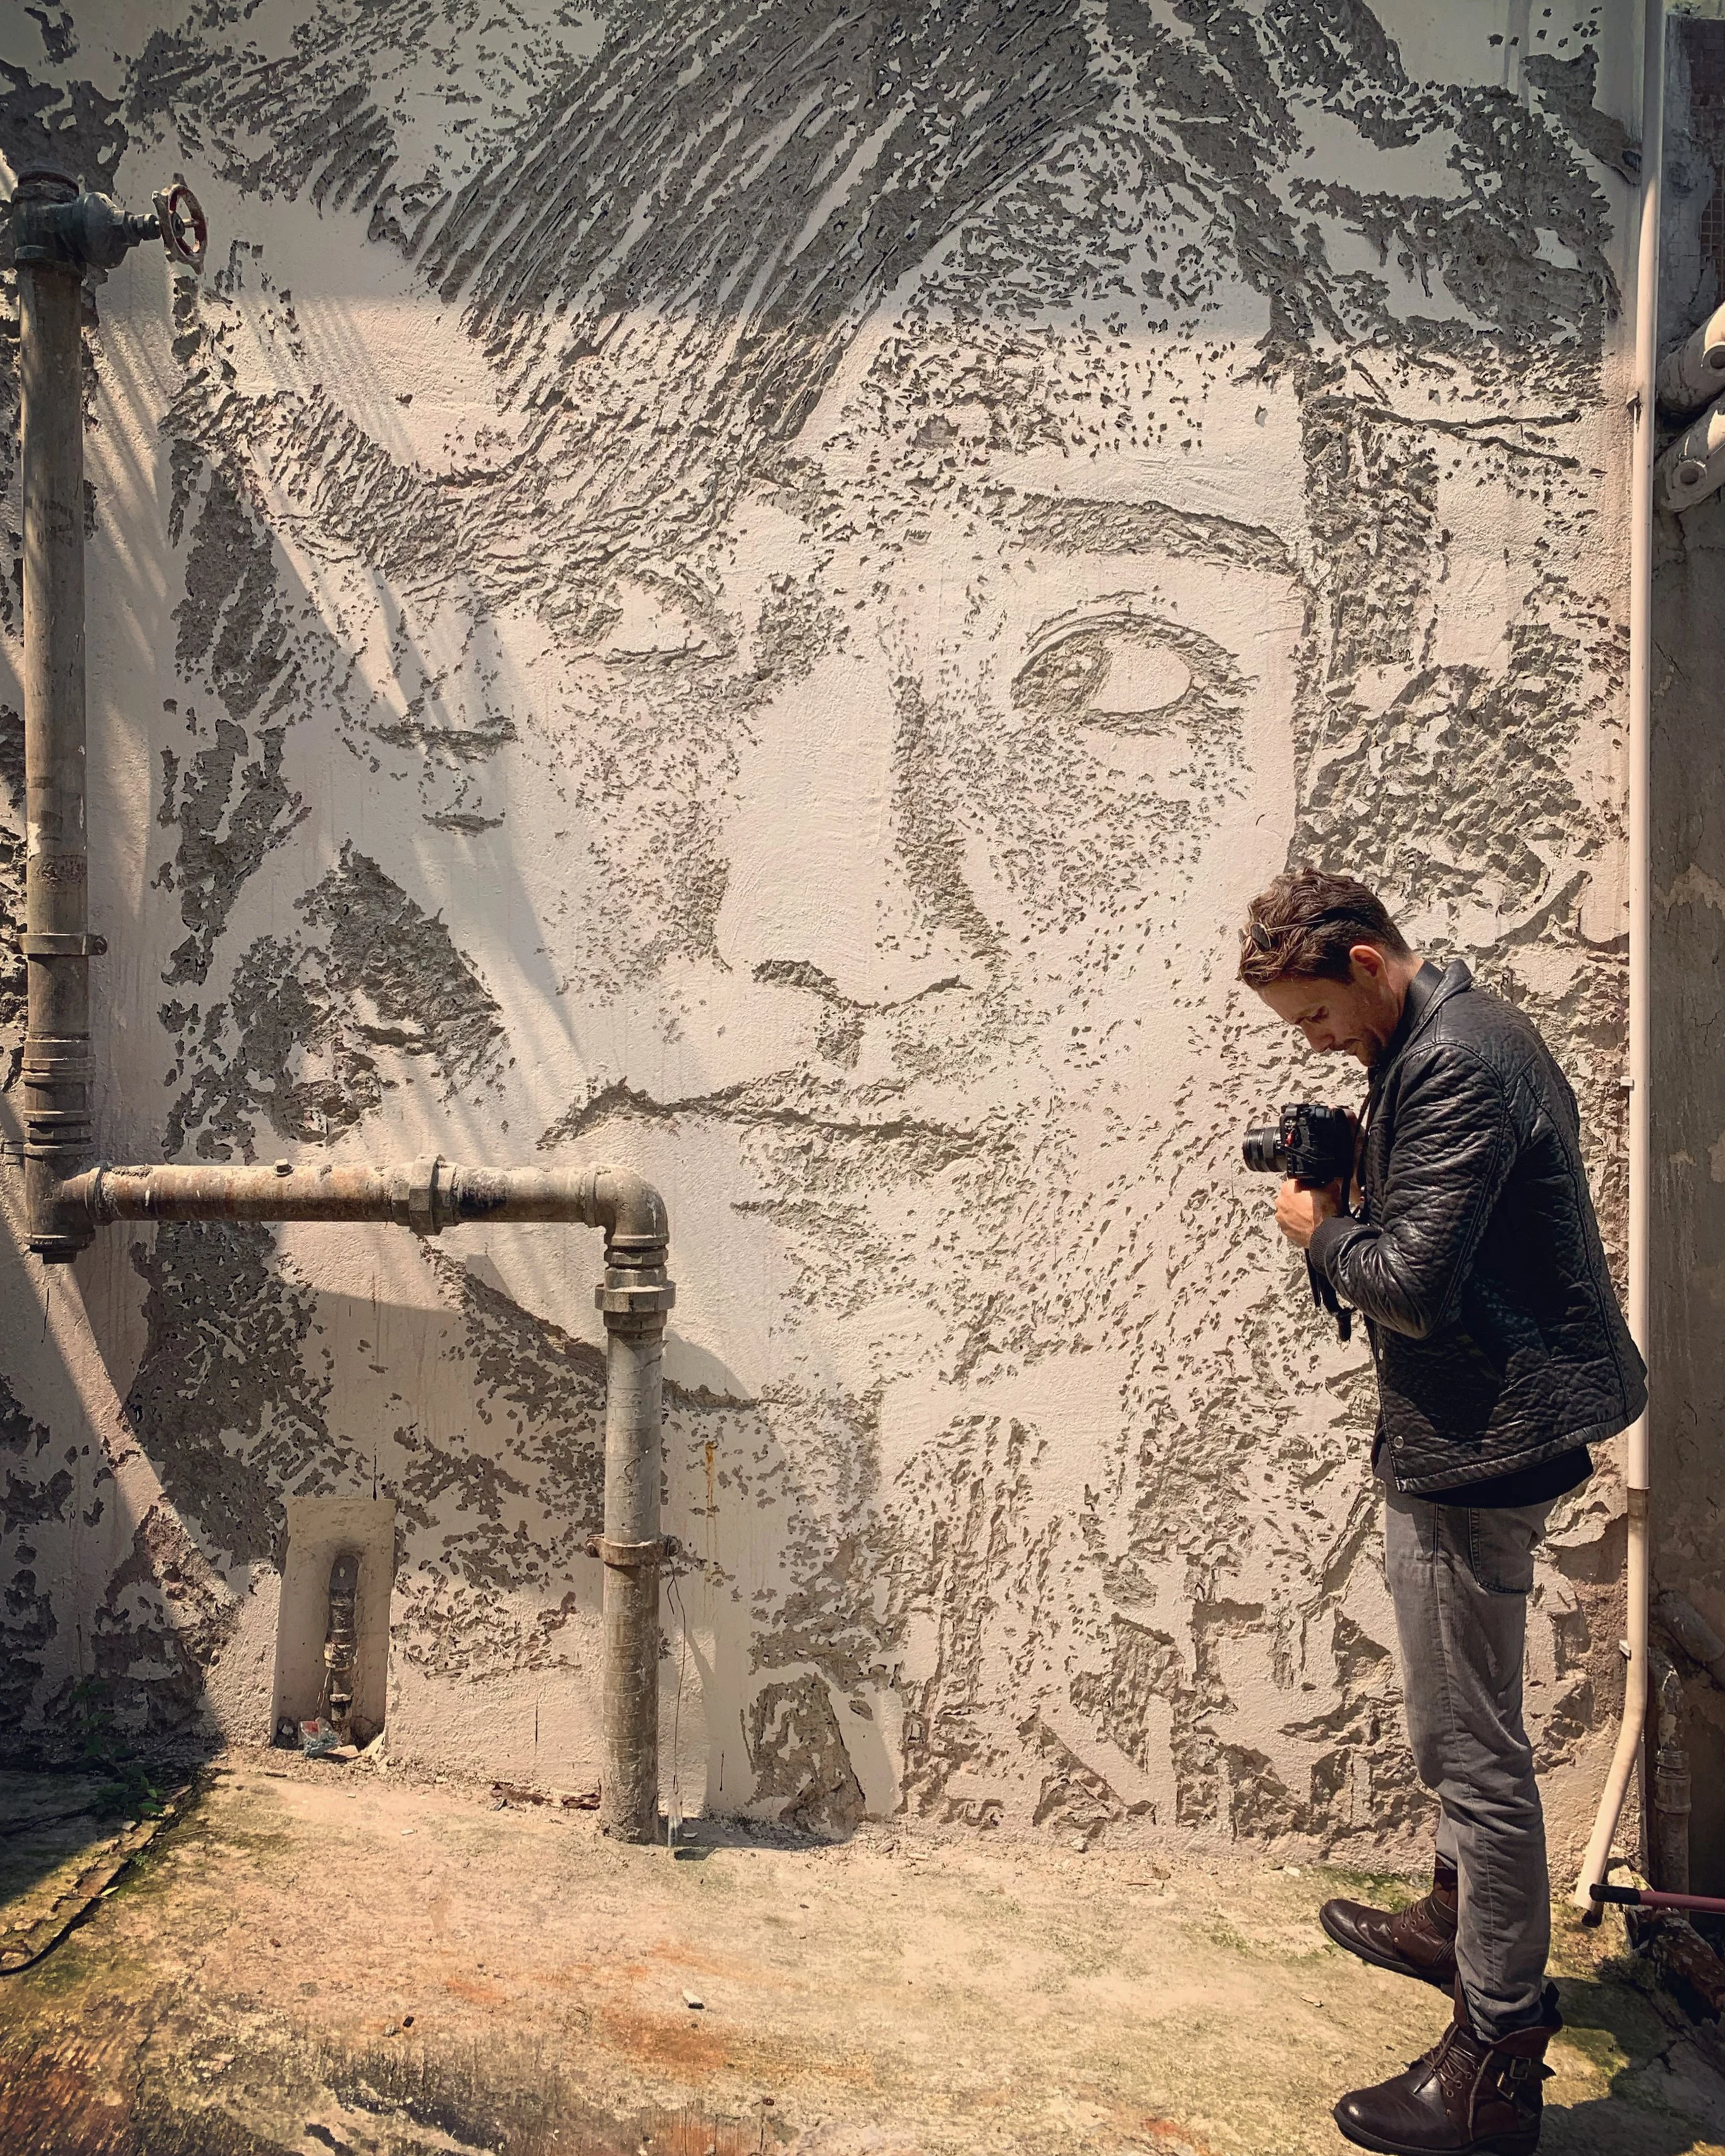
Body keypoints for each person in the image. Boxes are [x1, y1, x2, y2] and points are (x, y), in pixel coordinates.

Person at [1241, 866, 1645, 2156]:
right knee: (1461, 1737)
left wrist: (1318, 1223)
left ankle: (1494, 2055)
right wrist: (1366, 1162)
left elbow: (1409, 1283)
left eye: (1314, 1017)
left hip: (1478, 1446)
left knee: (1467, 1749)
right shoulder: (1437, 1038)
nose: (1317, 1043)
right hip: (1473, 1424)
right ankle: (1451, 1917)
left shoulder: (1457, 1061)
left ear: (1366, 961)